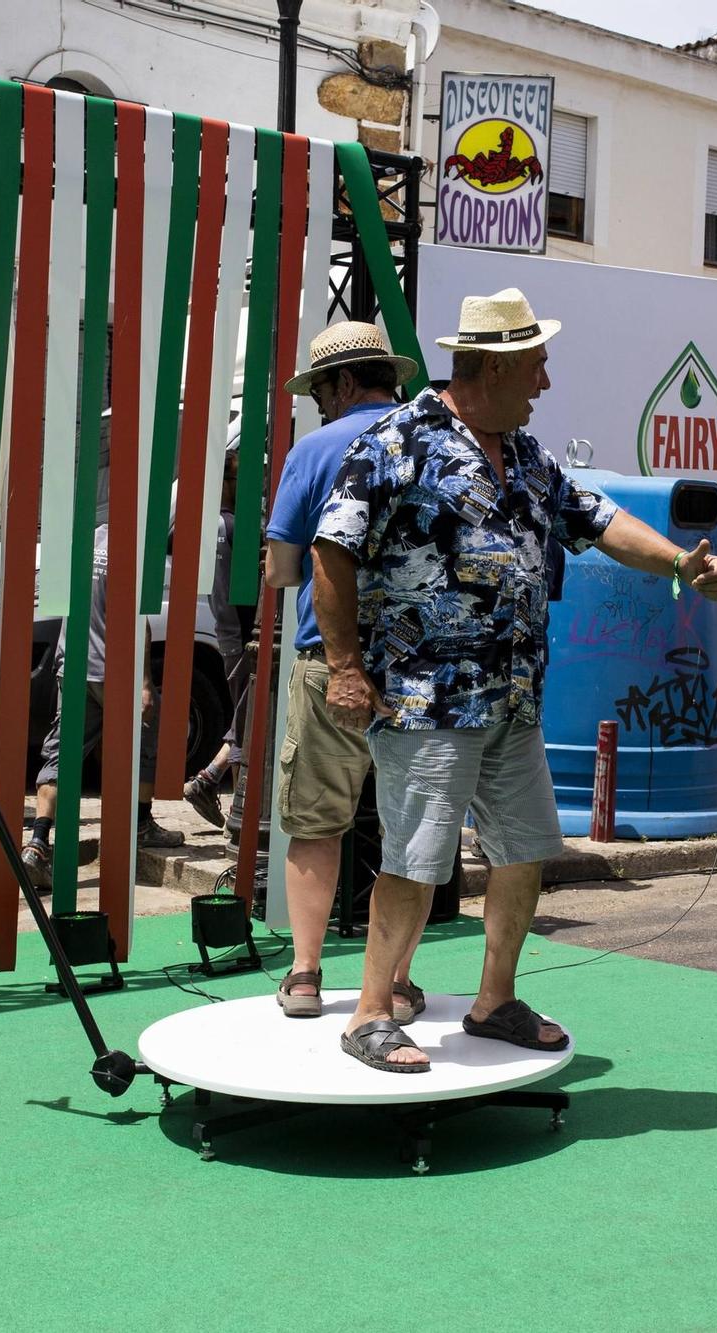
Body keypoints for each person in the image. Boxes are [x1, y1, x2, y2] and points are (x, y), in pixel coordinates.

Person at [312, 287, 717, 1071]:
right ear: (492, 364)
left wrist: (680, 561)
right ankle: (369, 1011)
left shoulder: (531, 459)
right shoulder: (401, 440)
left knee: (526, 849)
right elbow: (331, 547)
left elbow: (601, 521)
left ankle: (494, 998)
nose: (543, 381)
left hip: (512, 697)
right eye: (535, 365)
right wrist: (343, 667)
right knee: (415, 859)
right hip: (426, 697)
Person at [262, 323, 427, 1020]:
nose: (321, 404)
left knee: (316, 819)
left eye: (322, 390)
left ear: (346, 382)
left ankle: (305, 975)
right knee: (411, 826)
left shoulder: (316, 449)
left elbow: (281, 568)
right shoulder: (431, 442)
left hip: (327, 660)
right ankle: (395, 980)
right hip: (422, 664)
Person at [20, 525, 186, 887]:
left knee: (60, 754)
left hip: (74, 666)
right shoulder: (137, 549)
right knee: (144, 737)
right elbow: (139, 624)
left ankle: (37, 844)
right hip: (114, 671)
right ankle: (140, 824)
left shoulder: (90, 538)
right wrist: (144, 683)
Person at [182, 445, 244, 830]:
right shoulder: (233, 526)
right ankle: (233, 807)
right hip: (241, 635)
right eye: (236, 479)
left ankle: (210, 779)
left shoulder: (205, 526)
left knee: (248, 718)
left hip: (224, 632)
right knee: (252, 722)